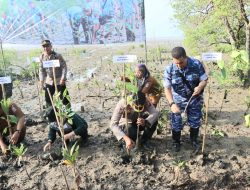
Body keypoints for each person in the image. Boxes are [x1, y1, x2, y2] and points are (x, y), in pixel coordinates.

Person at [163, 46, 208, 152]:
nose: (179, 65)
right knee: (176, 122)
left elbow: (204, 80)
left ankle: (193, 140)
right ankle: (176, 142)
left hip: (195, 99)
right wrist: (172, 104)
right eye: (176, 63)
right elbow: (167, 88)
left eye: (181, 62)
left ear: (186, 57)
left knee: (195, 122)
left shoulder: (196, 64)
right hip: (178, 100)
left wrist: (200, 86)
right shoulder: (169, 69)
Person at [39, 40, 70, 120]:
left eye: (47, 46)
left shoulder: (57, 55)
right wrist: (41, 81)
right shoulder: (42, 57)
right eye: (44, 46)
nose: (46, 48)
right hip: (49, 80)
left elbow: (64, 67)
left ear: (51, 46)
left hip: (59, 80)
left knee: (64, 97)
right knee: (48, 98)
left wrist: (63, 78)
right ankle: (51, 115)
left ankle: (68, 114)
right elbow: (41, 70)